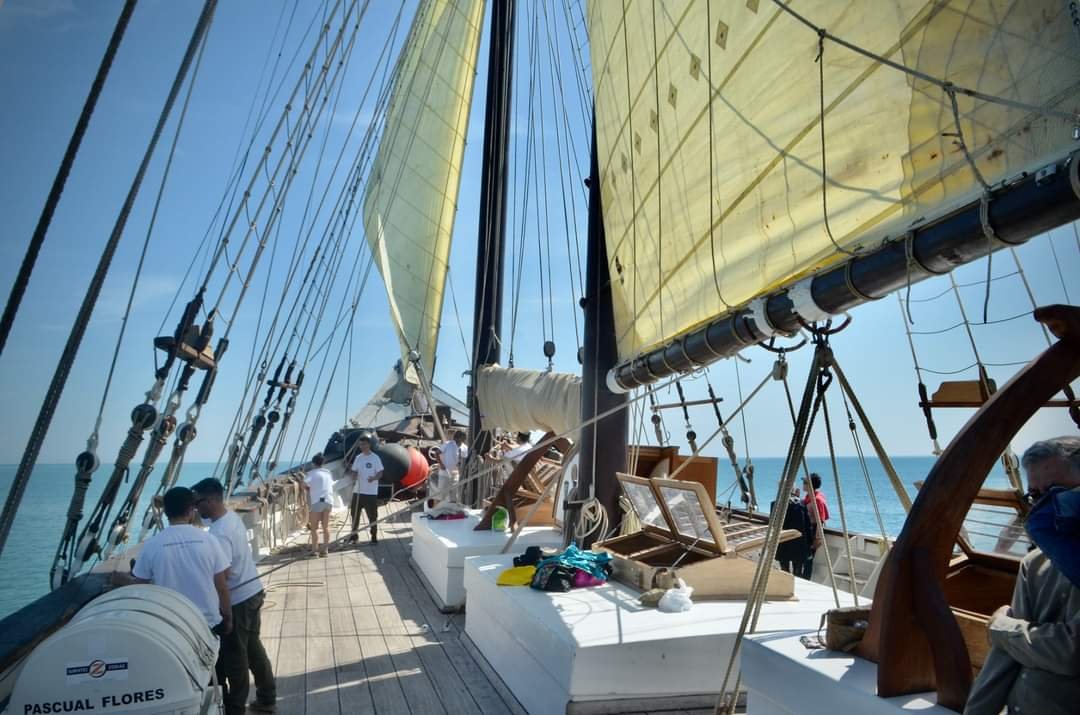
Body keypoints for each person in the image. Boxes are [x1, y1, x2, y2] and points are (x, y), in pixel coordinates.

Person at [964, 437, 1080, 715]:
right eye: (1036, 496)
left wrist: (1001, 627)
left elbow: (1072, 653)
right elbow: (1003, 658)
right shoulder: (1034, 564)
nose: (1044, 505)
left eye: (1055, 491)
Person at [192, 478, 276, 715]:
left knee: (235, 658)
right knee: (253, 648)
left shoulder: (218, 533)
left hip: (238, 601)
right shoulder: (231, 519)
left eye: (198, 503)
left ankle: (236, 709)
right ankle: (267, 697)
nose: (196, 508)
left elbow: (224, 573)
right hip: (253, 591)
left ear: (210, 500)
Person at [131, 486, 231, 634]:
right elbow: (222, 587)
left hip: (173, 625)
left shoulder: (152, 544)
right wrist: (228, 618)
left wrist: (119, 579)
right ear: (191, 510)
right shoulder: (209, 539)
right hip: (209, 623)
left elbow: (140, 585)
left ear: (165, 511)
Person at [348, 436, 384, 544]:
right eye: (360, 445)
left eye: (363, 444)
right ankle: (354, 536)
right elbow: (354, 470)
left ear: (369, 444)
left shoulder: (375, 458)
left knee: (372, 515)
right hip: (358, 491)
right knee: (354, 514)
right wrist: (354, 476)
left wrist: (373, 478)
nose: (361, 447)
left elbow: (380, 472)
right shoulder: (358, 458)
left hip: (370, 492)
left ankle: (374, 536)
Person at [799, 473, 829, 579]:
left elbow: (820, 521)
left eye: (805, 483)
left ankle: (805, 580)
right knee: (802, 558)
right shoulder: (809, 497)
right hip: (806, 530)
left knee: (808, 560)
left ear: (811, 485)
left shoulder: (817, 500)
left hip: (812, 532)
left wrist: (816, 539)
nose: (803, 484)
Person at [304, 453, 333, 557]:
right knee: (326, 527)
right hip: (328, 501)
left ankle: (314, 551)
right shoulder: (328, 473)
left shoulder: (311, 474)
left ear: (313, 463)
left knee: (314, 528)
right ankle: (325, 550)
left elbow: (304, 485)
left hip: (317, 501)